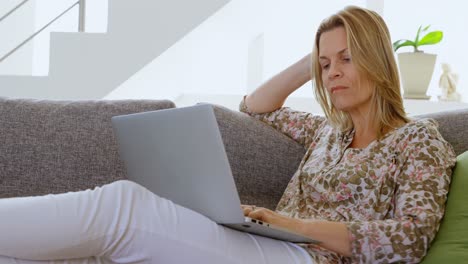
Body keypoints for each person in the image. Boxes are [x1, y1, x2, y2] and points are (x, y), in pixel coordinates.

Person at [0, 5, 455, 264]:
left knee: (122, 206)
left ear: (378, 58)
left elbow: (409, 240)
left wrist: (293, 226)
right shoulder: (326, 134)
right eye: (326, 64)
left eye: (348, 59)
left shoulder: (418, 141)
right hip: (270, 244)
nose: (332, 74)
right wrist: (312, 56)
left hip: (311, 260)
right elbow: (255, 104)